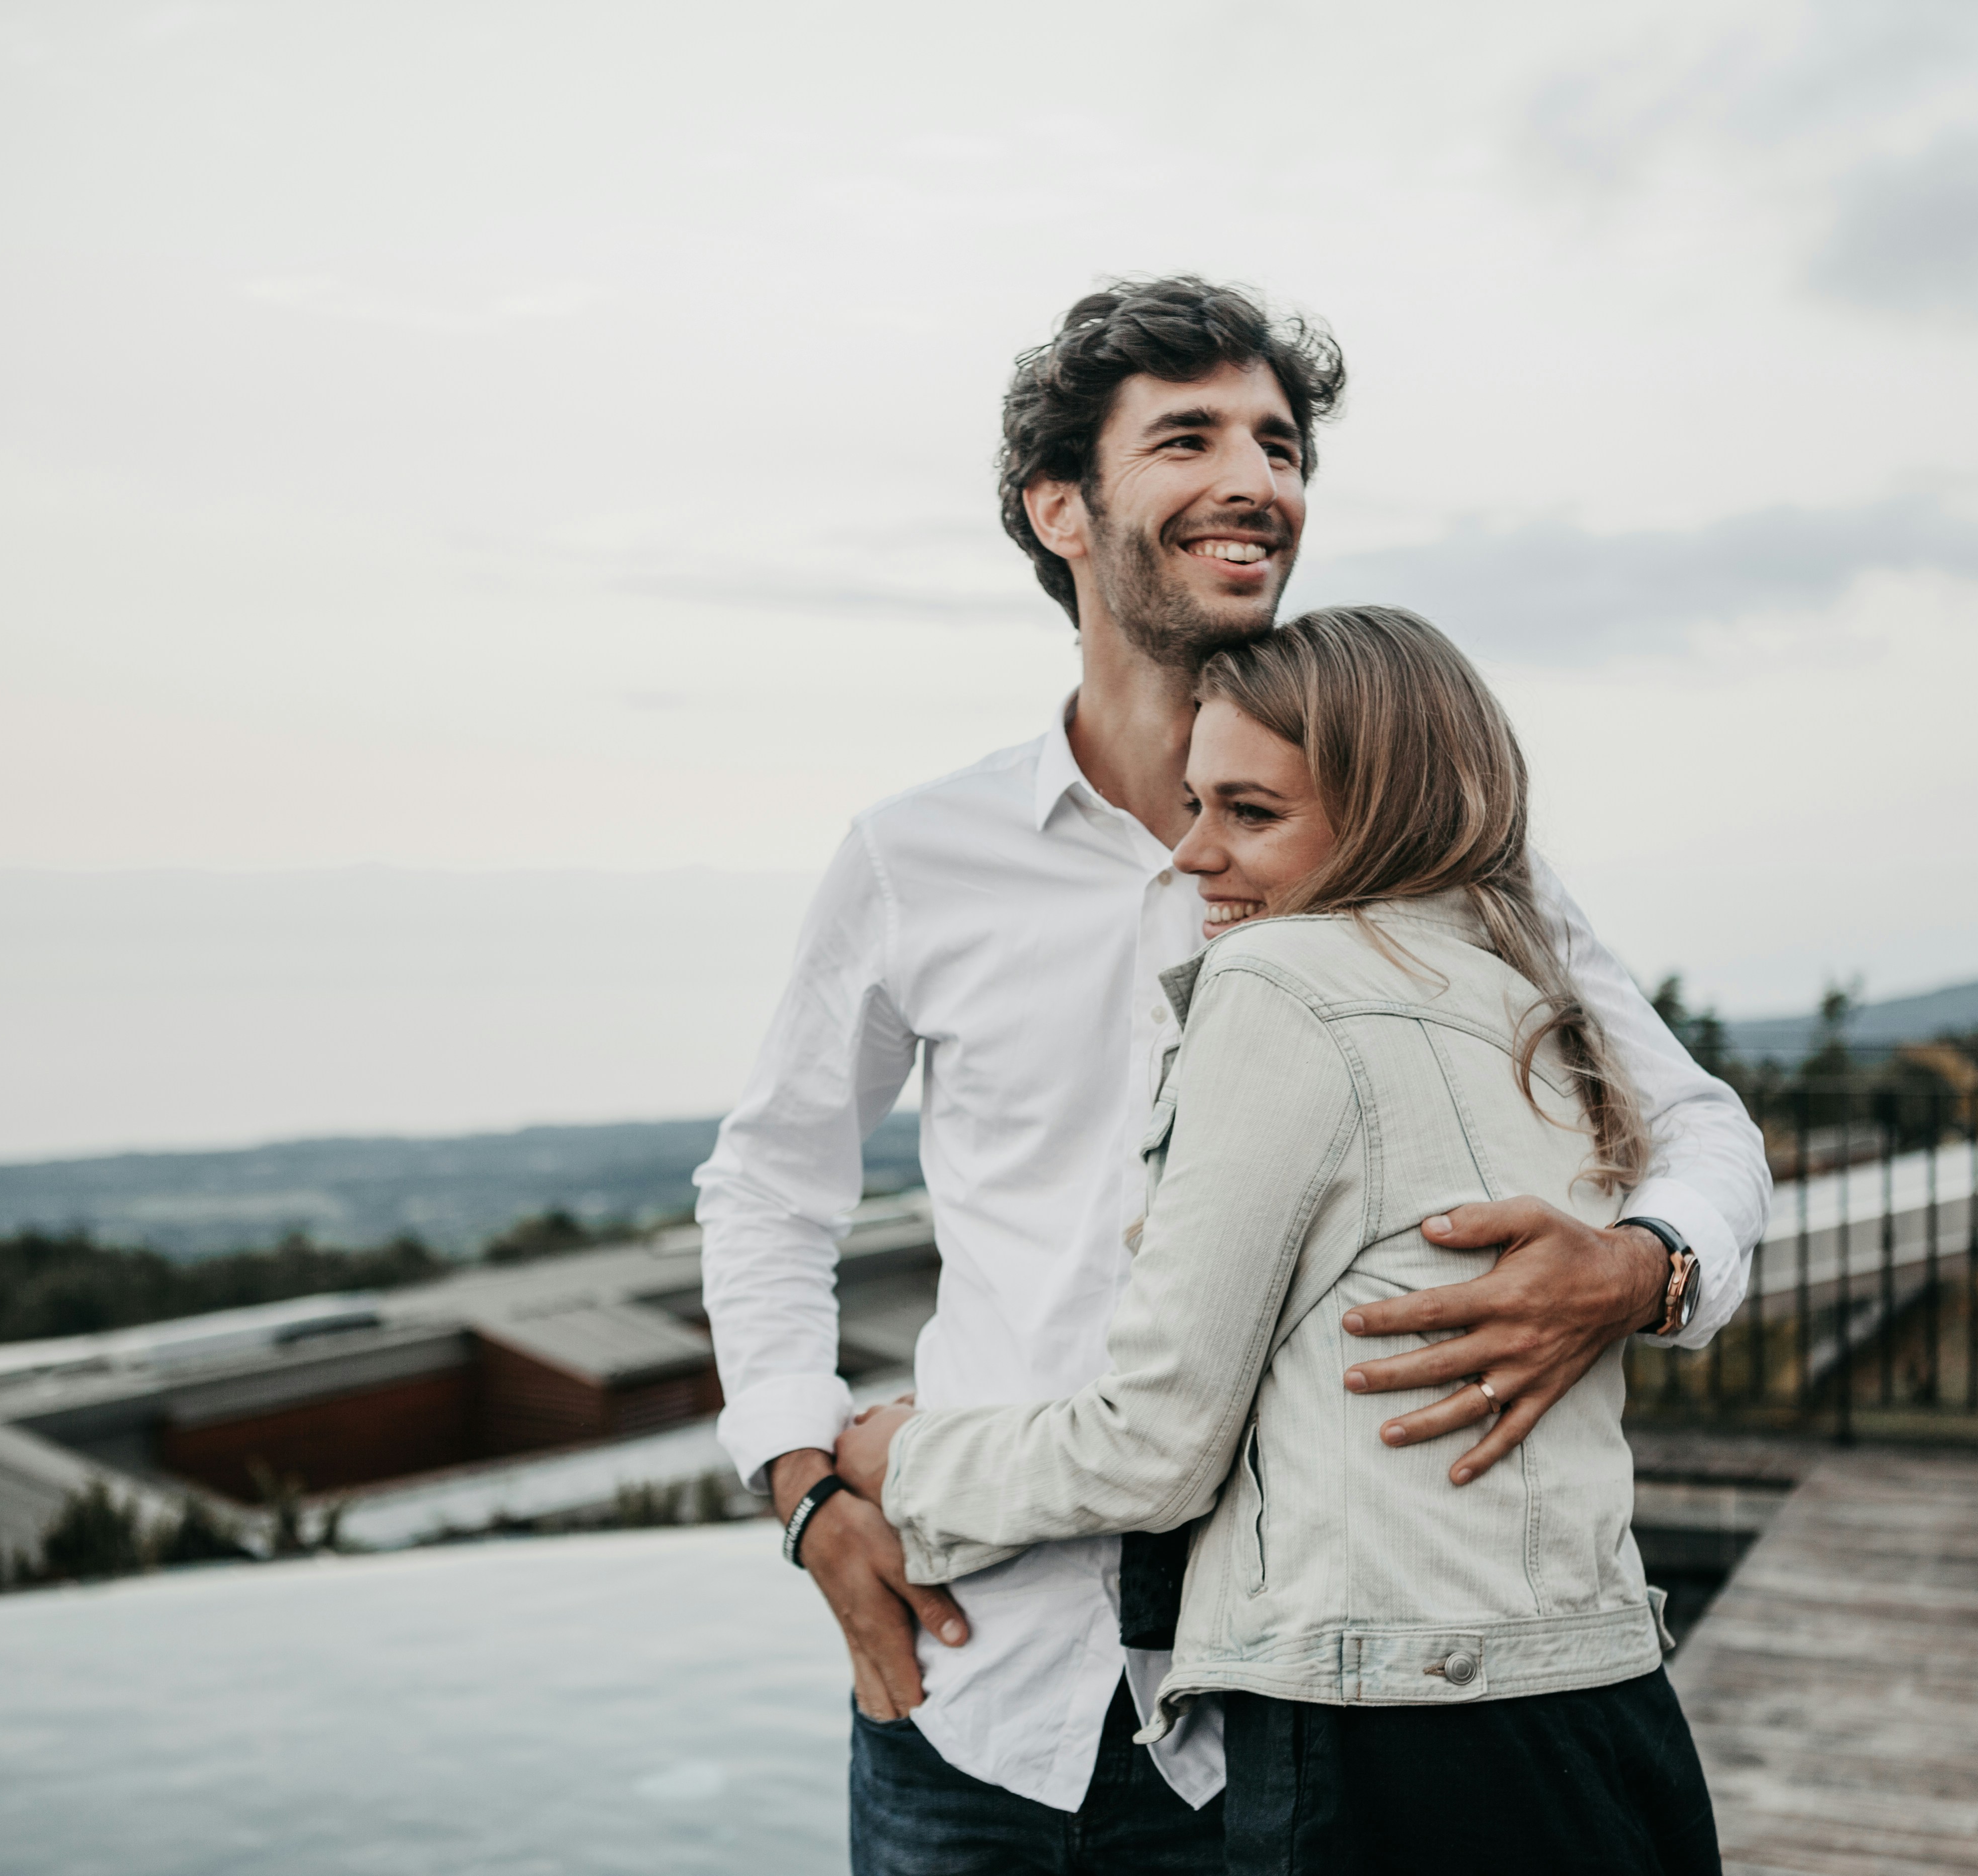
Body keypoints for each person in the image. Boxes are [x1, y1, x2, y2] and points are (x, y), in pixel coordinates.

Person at [695, 278, 1768, 1874]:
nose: (1256, 479)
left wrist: (1644, 1267)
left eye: (1278, 443)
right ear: (1061, 507)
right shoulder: (915, 858)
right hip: (970, 1684)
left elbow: (1694, 1119)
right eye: (1188, 438)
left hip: (1277, 1729)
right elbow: (770, 1186)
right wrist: (805, 1490)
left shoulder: (1438, 856)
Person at [835, 604, 1722, 1872]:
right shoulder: (1532, 998)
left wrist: (902, 1461)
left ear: (1390, 817)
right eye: (1198, 805)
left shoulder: (1276, 985)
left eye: (1250, 815)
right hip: (1607, 1709)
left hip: (1394, 1746)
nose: (1194, 857)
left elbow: (1154, 1448)